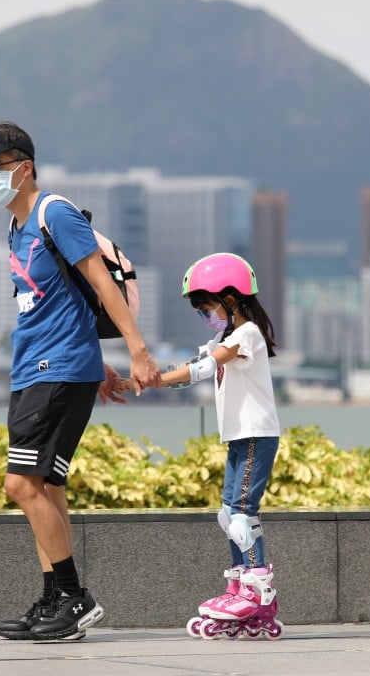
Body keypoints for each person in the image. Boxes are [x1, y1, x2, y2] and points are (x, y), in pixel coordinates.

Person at [0, 121, 160, 641]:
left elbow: (98, 282)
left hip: (57, 367)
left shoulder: (55, 213)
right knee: (47, 485)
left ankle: (74, 596)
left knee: (20, 484)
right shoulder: (15, 227)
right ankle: (54, 599)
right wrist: (99, 368)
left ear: (24, 168)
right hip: (38, 367)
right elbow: (58, 304)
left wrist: (137, 351)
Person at [120, 252, 284, 639]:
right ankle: (239, 585)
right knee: (228, 515)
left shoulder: (247, 335)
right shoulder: (221, 337)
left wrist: (153, 381)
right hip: (240, 436)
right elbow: (189, 367)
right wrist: (139, 380)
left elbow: (204, 368)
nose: (206, 317)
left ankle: (258, 591)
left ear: (232, 299)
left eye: (207, 308)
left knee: (243, 515)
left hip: (256, 434)